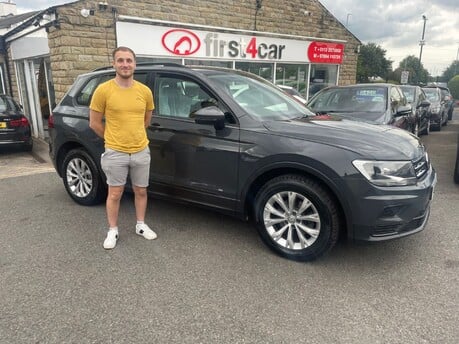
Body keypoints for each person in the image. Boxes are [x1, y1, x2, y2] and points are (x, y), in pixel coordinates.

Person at [89, 46, 157, 249]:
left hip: (141, 150)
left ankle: (141, 225)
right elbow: (94, 122)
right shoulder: (103, 90)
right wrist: (112, 138)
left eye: (129, 60)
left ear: (135, 64)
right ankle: (113, 230)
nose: (125, 64)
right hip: (115, 152)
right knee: (115, 193)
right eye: (120, 60)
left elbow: (146, 119)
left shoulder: (144, 91)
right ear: (114, 64)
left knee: (141, 191)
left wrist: (134, 136)